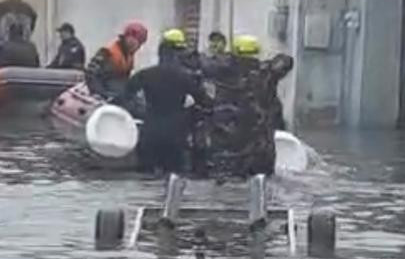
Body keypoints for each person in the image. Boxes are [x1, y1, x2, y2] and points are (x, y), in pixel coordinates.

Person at [117, 31, 211, 175]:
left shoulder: (146, 75)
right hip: (175, 137)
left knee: (146, 180)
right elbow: (204, 101)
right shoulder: (185, 77)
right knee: (173, 178)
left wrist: (138, 111)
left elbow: (124, 96)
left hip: (150, 134)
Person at [206, 35, 293, 181]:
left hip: (228, 148)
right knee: (260, 183)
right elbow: (286, 61)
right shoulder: (265, 73)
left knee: (227, 183)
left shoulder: (221, 71)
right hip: (259, 148)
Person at [84, 22, 148, 100]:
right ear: (126, 37)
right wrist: (100, 93)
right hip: (105, 91)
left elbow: (126, 79)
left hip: (118, 92)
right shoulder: (106, 52)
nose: (136, 46)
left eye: (139, 43)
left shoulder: (129, 56)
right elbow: (91, 75)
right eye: (133, 41)